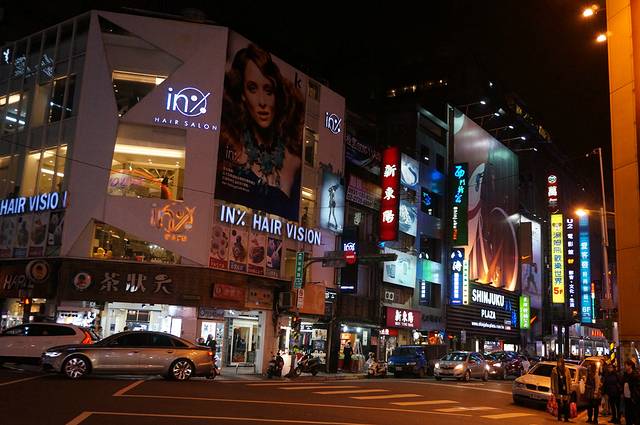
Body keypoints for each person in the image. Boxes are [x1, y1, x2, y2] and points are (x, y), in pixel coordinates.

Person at [216, 43, 305, 221]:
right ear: (243, 94)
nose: (262, 102)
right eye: (252, 88)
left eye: (268, 90)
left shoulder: (294, 160)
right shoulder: (230, 148)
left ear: (277, 96)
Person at [551, 357, 573, 422]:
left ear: (563, 363)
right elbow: (552, 380)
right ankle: (559, 417)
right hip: (558, 389)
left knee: (566, 404)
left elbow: (569, 380)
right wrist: (553, 389)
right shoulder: (554, 370)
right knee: (559, 404)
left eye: (560, 362)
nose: (559, 363)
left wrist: (570, 389)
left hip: (565, 389)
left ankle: (566, 418)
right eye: (558, 362)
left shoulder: (567, 370)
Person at [623, 359, 640, 425]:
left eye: (626, 365)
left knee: (635, 415)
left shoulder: (635, 375)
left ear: (630, 366)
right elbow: (622, 383)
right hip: (626, 398)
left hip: (633, 398)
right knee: (627, 414)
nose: (625, 366)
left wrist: (635, 396)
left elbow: (637, 387)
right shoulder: (625, 374)